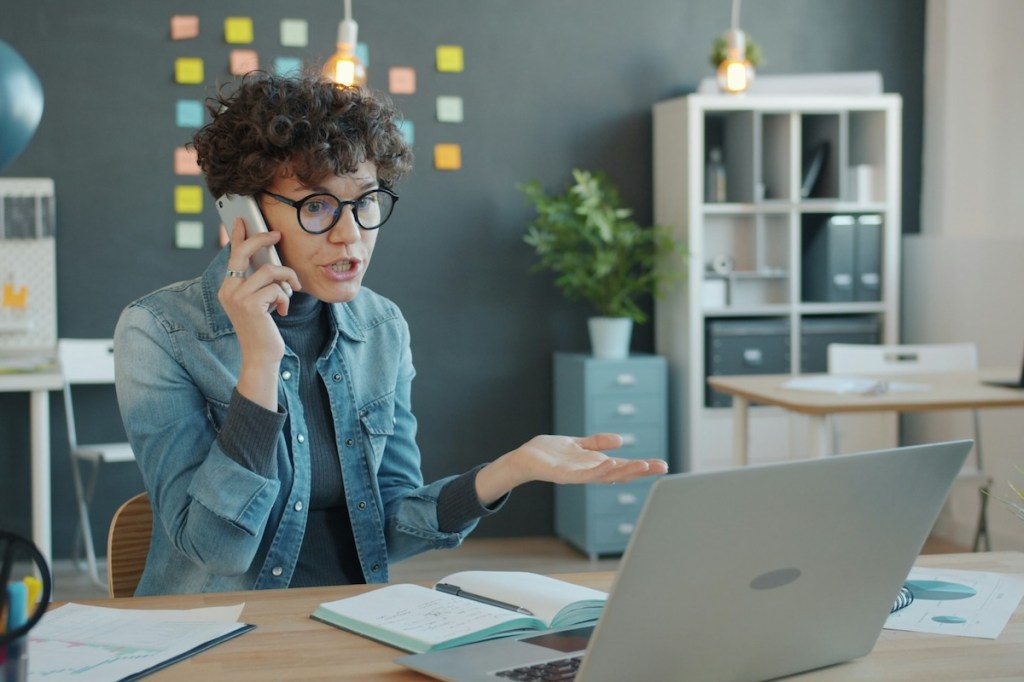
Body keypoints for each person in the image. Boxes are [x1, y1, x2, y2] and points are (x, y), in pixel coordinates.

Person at [113, 71, 667, 596]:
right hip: (220, 638)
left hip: (356, 621)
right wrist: (260, 362)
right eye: (318, 206)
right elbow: (217, 549)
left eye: (365, 201)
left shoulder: (380, 328)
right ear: (242, 216)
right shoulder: (160, 332)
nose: (350, 235)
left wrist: (511, 469)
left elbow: (389, 526)